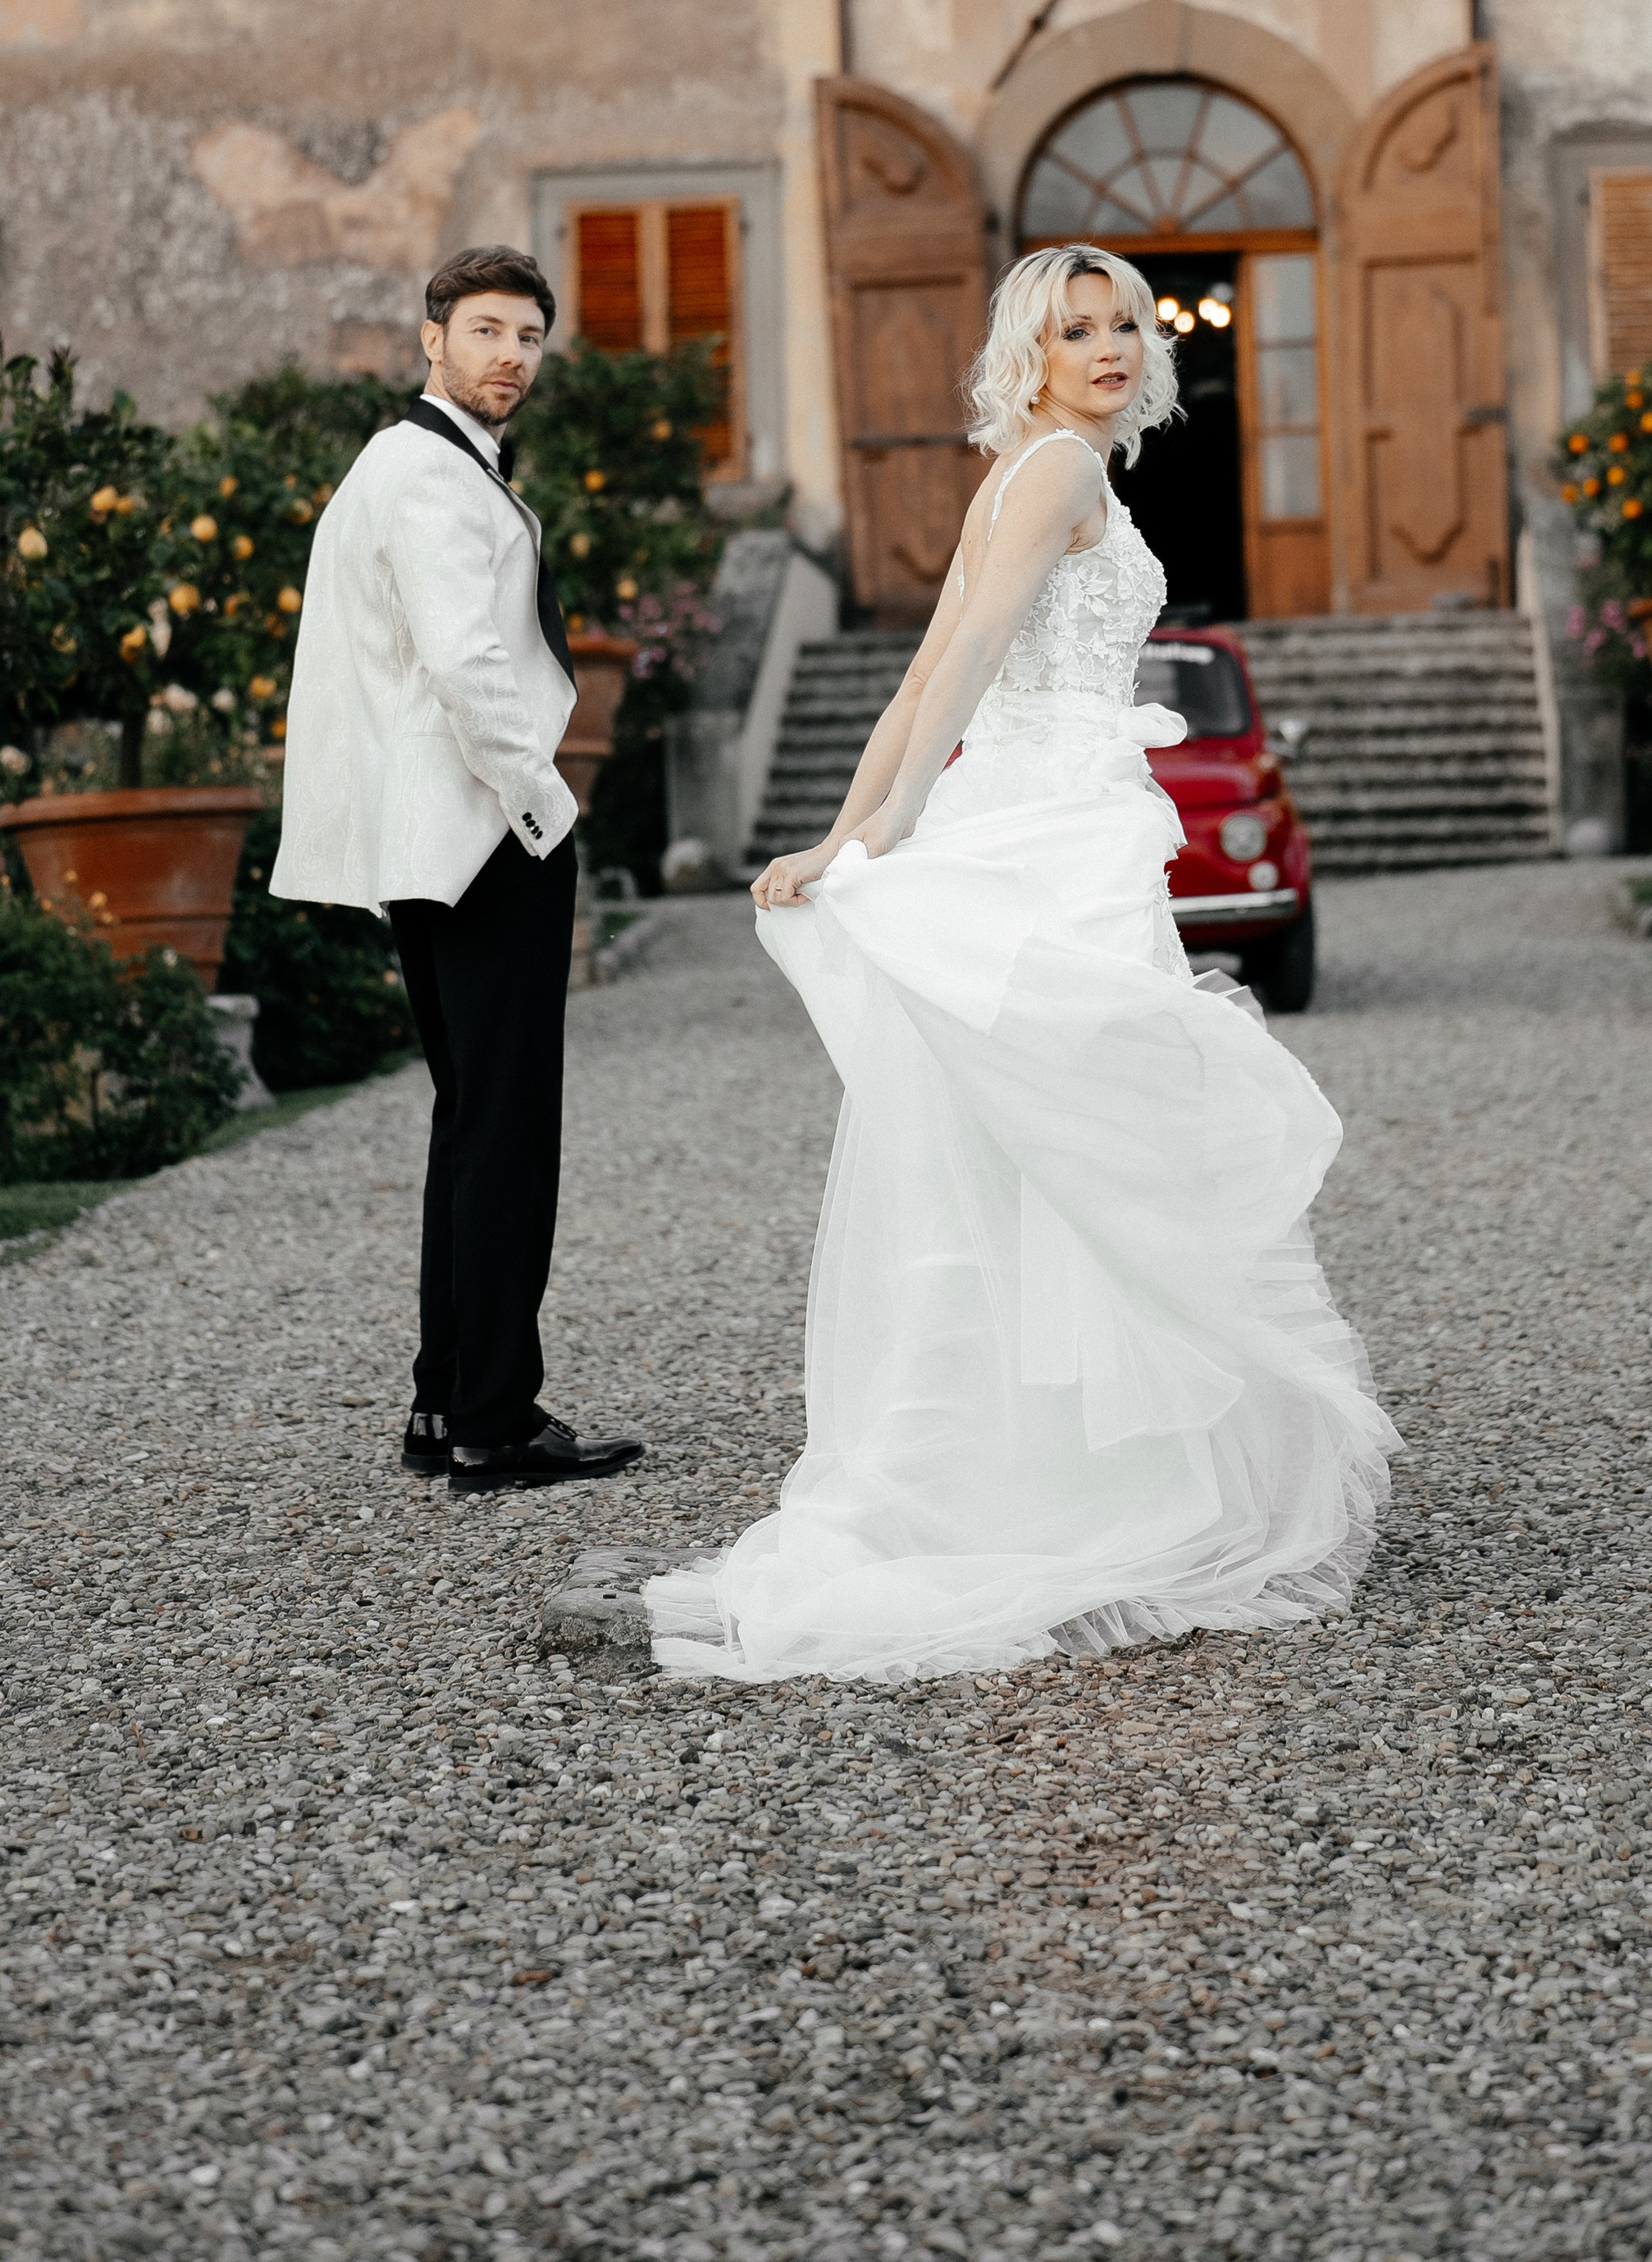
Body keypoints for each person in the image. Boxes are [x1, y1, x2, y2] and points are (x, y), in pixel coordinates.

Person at [643, 245, 1397, 1681]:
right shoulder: (1052, 473)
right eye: (1077, 328)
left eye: (1124, 324)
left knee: (1050, 1148)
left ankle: (1059, 1464)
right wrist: (885, 831)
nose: (1109, 345)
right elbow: (967, 656)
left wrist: (853, 833)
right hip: (1049, 832)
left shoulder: (1027, 474)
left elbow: (924, 671)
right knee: (1086, 1142)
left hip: (1065, 823)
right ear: (1033, 350)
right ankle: (1087, 1484)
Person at [273, 244, 645, 1500]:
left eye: (530, 338)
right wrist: (550, 807)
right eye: (488, 330)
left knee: (469, 1120)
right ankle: (496, 1416)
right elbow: (467, 665)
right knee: (507, 1129)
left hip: (441, 841)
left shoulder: (413, 463)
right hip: (486, 835)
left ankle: (448, 1402)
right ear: (431, 336)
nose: (512, 357)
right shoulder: (427, 473)